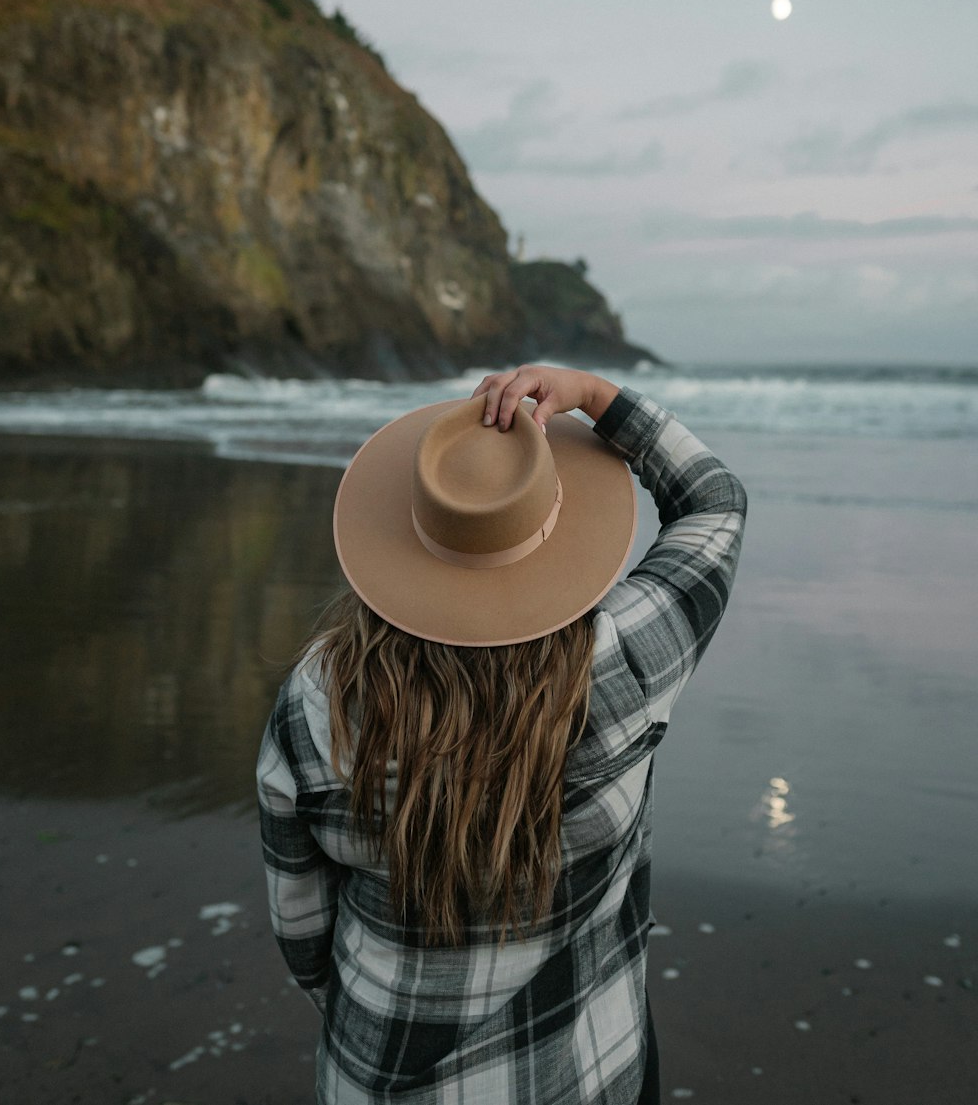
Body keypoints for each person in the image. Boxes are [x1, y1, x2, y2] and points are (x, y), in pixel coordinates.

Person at [257, 364, 748, 1104]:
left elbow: (303, 932)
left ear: (407, 538)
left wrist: (377, 1018)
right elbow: (714, 501)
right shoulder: (622, 664)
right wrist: (593, 395)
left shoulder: (316, 700)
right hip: (587, 1073)